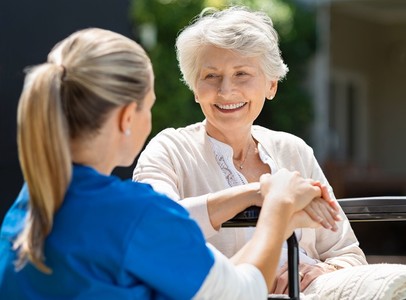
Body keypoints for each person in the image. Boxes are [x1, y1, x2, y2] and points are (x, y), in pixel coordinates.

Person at [0, 27, 341, 299]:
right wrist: (277, 206)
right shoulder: (135, 214)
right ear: (125, 118)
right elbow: (244, 292)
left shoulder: (30, 203)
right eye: (149, 106)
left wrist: (253, 196)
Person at [133, 6, 367, 296]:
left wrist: (320, 272)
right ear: (195, 88)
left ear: (271, 85)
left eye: (242, 74)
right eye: (210, 76)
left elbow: (348, 254)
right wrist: (259, 193)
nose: (226, 90)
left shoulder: (293, 151)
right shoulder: (168, 150)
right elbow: (155, 229)